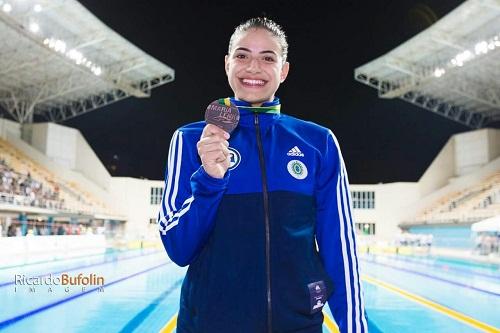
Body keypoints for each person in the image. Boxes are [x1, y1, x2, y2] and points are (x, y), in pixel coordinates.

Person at [158, 17, 367, 333]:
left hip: (298, 325)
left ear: (283, 71)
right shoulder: (191, 140)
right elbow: (178, 248)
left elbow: (339, 246)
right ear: (228, 64)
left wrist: (354, 328)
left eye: (267, 58)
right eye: (242, 56)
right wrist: (211, 181)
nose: (253, 67)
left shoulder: (318, 142)